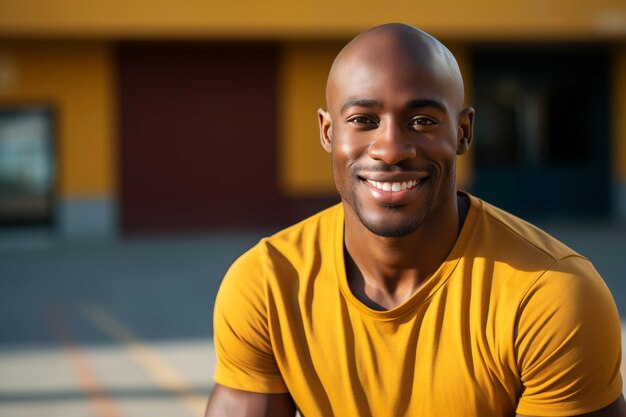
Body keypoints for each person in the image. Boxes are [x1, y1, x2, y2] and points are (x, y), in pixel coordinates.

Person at [205, 23, 625, 417]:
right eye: (363, 120)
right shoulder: (267, 284)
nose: (390, 149)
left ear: (463, 132)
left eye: (422, 120)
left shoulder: (552, 296)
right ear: (328, 132)